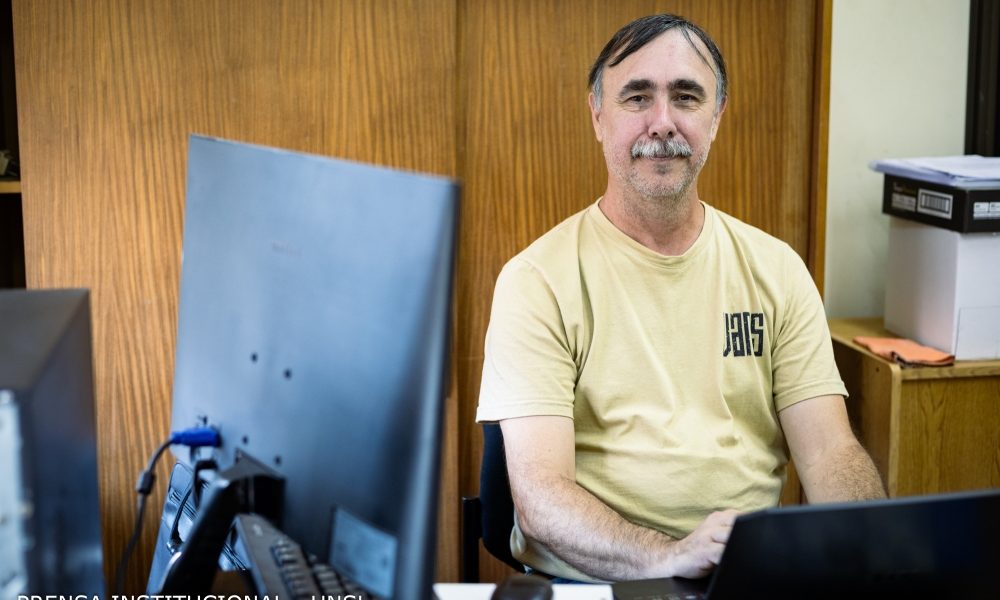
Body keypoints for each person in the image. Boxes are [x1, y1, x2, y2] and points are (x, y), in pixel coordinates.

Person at [475, 13, 886, 584]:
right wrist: (667, 556)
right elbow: (541, 498)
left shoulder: (778, 271)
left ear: (716, 118)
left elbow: (830, 454)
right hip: (596, 581)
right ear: (598, 116)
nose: (662, 122)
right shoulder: (537, 280)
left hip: (741, 576)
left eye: (687, 97)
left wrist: (869, 550)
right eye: (637, 97)